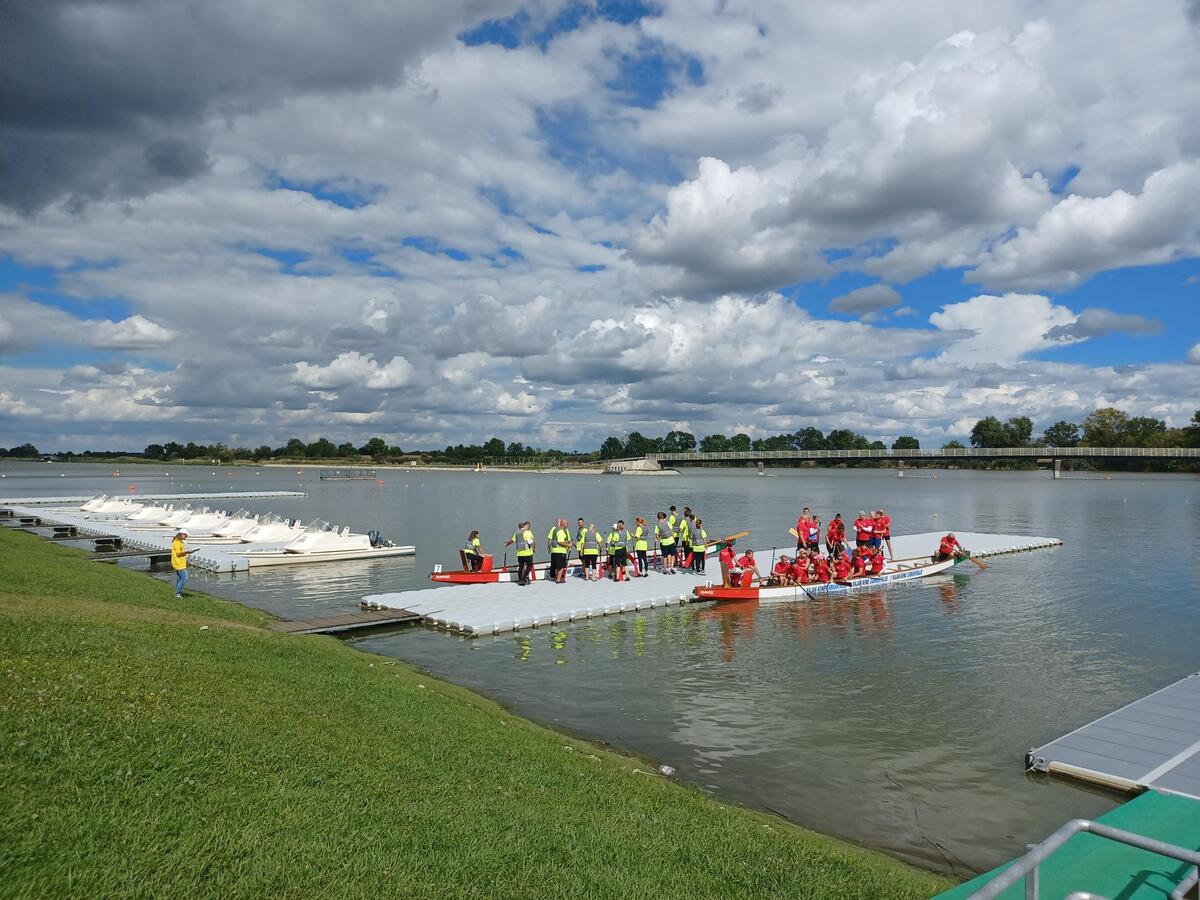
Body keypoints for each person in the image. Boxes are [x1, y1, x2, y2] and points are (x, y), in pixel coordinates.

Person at [505, 521, 535, 585]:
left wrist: (507, 544)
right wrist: (534, 546)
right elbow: (530, 542)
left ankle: (520, 579)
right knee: (529, 566)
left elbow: (512, 540)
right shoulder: (526, 532)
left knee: (521, 566)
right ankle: (524, 578)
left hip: (519, 553)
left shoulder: (517, 532)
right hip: (527, 552)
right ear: (525, 526)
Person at [171, 528, 197, 598]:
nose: (186, 537)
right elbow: (178, 553)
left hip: (180, 562)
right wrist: (187, 552)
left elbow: (181, 551)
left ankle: (178, 592)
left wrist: (188, 551)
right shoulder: (176, 542)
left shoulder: (180, 542)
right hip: (178, 563)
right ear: (182, 534)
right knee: (184, 577)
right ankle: (177, 593)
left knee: (179, 578)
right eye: (186, 535)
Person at [548, 518, 572, 583]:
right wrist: (568, 545)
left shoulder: (556, 530)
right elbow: (560, 542)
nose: (567, 524)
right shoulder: (561, 531)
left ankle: (556, 577)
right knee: (561, 567)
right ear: (563, 524)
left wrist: (549, 548)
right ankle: (558, 579)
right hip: (560, 551)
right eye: (567, 523)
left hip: (554, 551)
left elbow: (550, 540)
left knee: (556, 565)